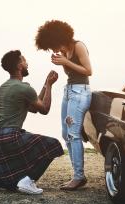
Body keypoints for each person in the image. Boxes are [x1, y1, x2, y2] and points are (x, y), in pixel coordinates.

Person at [0, 50, 64, 196]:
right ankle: (29, 180)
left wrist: (45, 83)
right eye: (25, 61)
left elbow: (33, 107)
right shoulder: (24, 88)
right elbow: (44, 109)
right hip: (11, 136)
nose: (27, 63)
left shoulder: (4, 87)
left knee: (7, 181)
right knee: (53, 145)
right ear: (20, 66)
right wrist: (50, 85)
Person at [35, 20, 92, 190]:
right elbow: (73, 71)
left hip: (80, 92)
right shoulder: (64, 50)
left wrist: (66, 63)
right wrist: (60, 63)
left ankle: (78, 177)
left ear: (58, 37)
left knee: (73, 134)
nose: (52, 50)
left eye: (52, 45)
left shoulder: (78, 46)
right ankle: (77, 175)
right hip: (69, 91)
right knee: (65, 133)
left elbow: (88, 71)